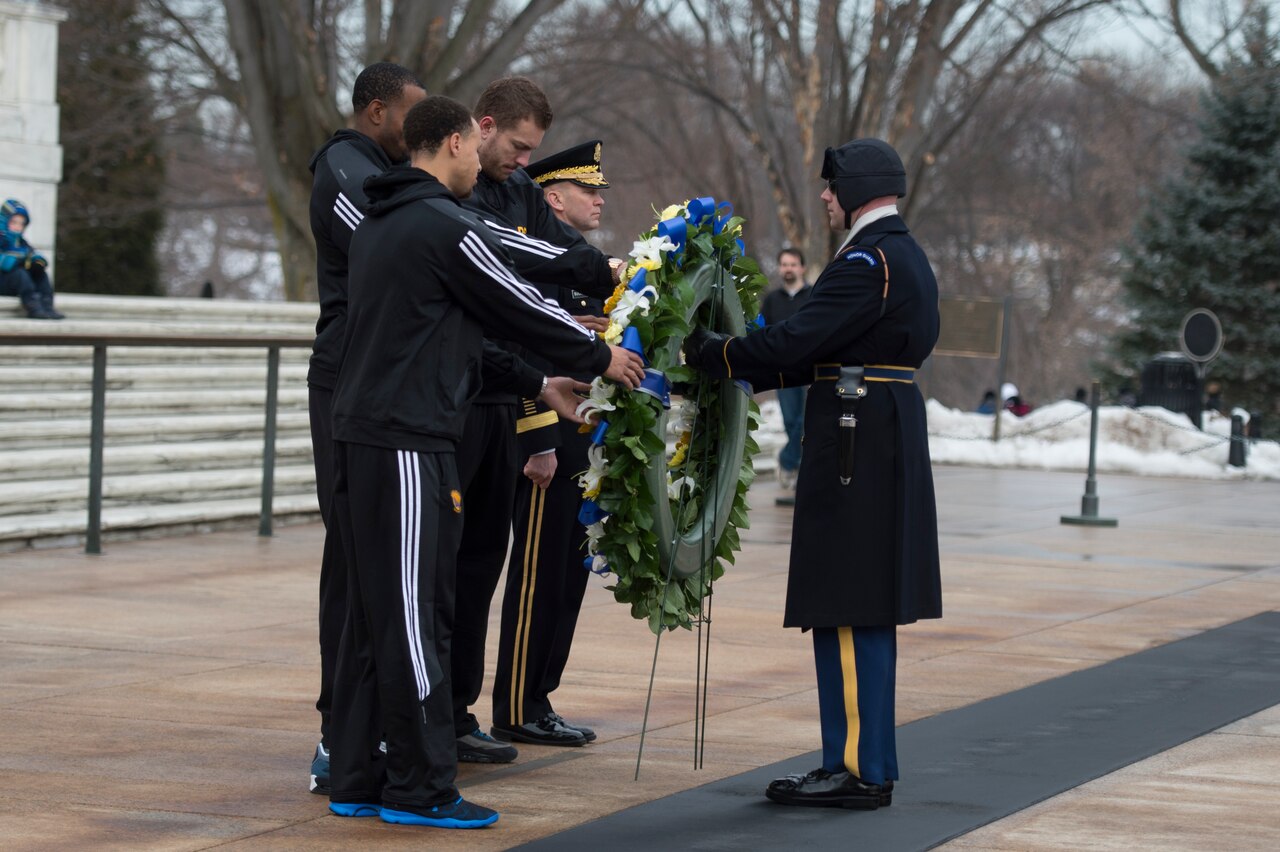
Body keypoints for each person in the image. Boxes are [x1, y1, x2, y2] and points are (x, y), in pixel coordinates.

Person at [325, 95, 644, 829]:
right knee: (414, 615)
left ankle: (357, 773)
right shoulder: (441, 224)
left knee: (374, 616)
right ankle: (422, 788)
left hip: (374, 435)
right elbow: (516, 298)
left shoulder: (386, 221)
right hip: (406, 440)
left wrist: (537, 383)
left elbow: (459, 334)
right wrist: (600, 354)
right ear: (448, 145)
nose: (483, 162)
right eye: (474, 148)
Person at [685, 137, 942, 810]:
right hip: (870, 423)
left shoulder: (868, 259)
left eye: (832, 187)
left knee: (853, 604)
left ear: (856, 190)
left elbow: (798, 339)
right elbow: (814, 356)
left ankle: (856, 768)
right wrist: (737, 366)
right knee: (852, 606)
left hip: (858, 436)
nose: (825, 197)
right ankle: (856, 759)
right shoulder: (899, 256)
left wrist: (713, 352)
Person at [449, 78, 625, 761]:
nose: (521, 161)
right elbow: (516, 320)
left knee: (530, 570)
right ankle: (498, 705)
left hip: (535, 404)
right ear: (483, 128)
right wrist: (541, 435)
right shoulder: (467, 199)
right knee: (490, 573)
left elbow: (565, 272)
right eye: (517, 148)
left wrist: (622, 276)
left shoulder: (517, 193)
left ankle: (509, 704)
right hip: (501, 410)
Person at [304, 61, 426, 795]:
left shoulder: (375, 169)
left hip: (373, 383)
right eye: (409, 119)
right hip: (348, 382)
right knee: (352, 561)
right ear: (376, 111)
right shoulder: (345, 172)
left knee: (374, 562)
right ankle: (337, 733)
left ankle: (370, 728)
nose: (416, 135)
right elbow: (392, 255)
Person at [491, 140, 610, 749]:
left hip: (583, 441)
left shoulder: (580, 261)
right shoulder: (535, 263)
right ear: (553, 198)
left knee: (569, 575)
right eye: (589, 190)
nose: (598, 200)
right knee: (538, 576)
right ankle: (517, 702)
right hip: (546, 440)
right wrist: (537, 436)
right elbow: (525, 349)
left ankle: (540, 695)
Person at [761, 248, 811, 494]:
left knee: (805, 421)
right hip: (783, 370)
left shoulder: (814, 295)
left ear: (802, 267)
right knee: (791, 421)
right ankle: (794, 463)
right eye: (784, 264)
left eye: (793, 264)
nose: (788, 268)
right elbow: (764, 332)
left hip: (810, 369)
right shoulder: (772, 300)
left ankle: (790, 462)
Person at [1, 199, 63, 319]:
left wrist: (38, 262)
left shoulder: (22, 243)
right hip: (3, 280)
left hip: (17, 284)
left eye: (21, 224)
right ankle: (33, 307)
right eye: (14, 222)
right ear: (5, 220)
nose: (18, 227)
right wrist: (18, 261)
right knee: (20, 274)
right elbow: (4, 262)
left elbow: (32, 254)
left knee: (41, 275)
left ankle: (47, 305)